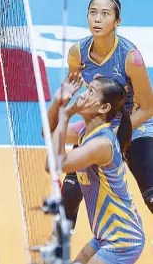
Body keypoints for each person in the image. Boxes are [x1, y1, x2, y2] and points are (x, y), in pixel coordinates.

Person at [48, 0, 153, 230]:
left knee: (151, 196)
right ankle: (61, 244)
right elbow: (71, 89)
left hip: (135, 123)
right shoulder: (77, 54)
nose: (97, 19)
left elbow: (147, 108)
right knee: (69, 195)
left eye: (105, 14)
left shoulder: (130, 58)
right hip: (99, 124)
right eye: (93, 12)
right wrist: (63, 103)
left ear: (117, 21)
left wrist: (114, 133)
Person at [47, 75, 145, 264]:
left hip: (123, 240)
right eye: (86, 89)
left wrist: (66, 115)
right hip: (104, 235)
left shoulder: (101, 143)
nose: (82, 95)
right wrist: (58, 102)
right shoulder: (85, 132)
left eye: (91, 92)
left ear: (104, 107)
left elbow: (56, 164)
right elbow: (50, 132)